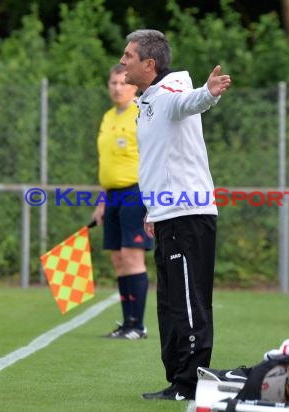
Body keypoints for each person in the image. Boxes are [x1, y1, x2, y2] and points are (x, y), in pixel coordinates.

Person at [119, 29, 231, 401]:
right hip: (168, 214)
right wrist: (153, 209)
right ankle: (178, 380)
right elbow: (159, 161)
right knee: (169, 303)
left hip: (187, 215)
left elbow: (190, 102)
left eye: (128, 56)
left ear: (149, 65)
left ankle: (191, 382)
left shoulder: (169, 96)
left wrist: (208, 93)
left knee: (187, 301)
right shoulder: (148, 102)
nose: (122, 62)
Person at [91, 64, 153, 340]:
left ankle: (138, 325)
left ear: (134, 86)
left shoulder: (140, 112)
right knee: (118, 259)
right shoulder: (107, 117)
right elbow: (107, 163)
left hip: (136, 191)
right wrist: (102, 202)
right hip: (113, 195)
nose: (118, 88)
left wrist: (152, 199)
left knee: (132, 257)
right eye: (113, 83)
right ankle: (127, 322)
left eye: (123, 83)